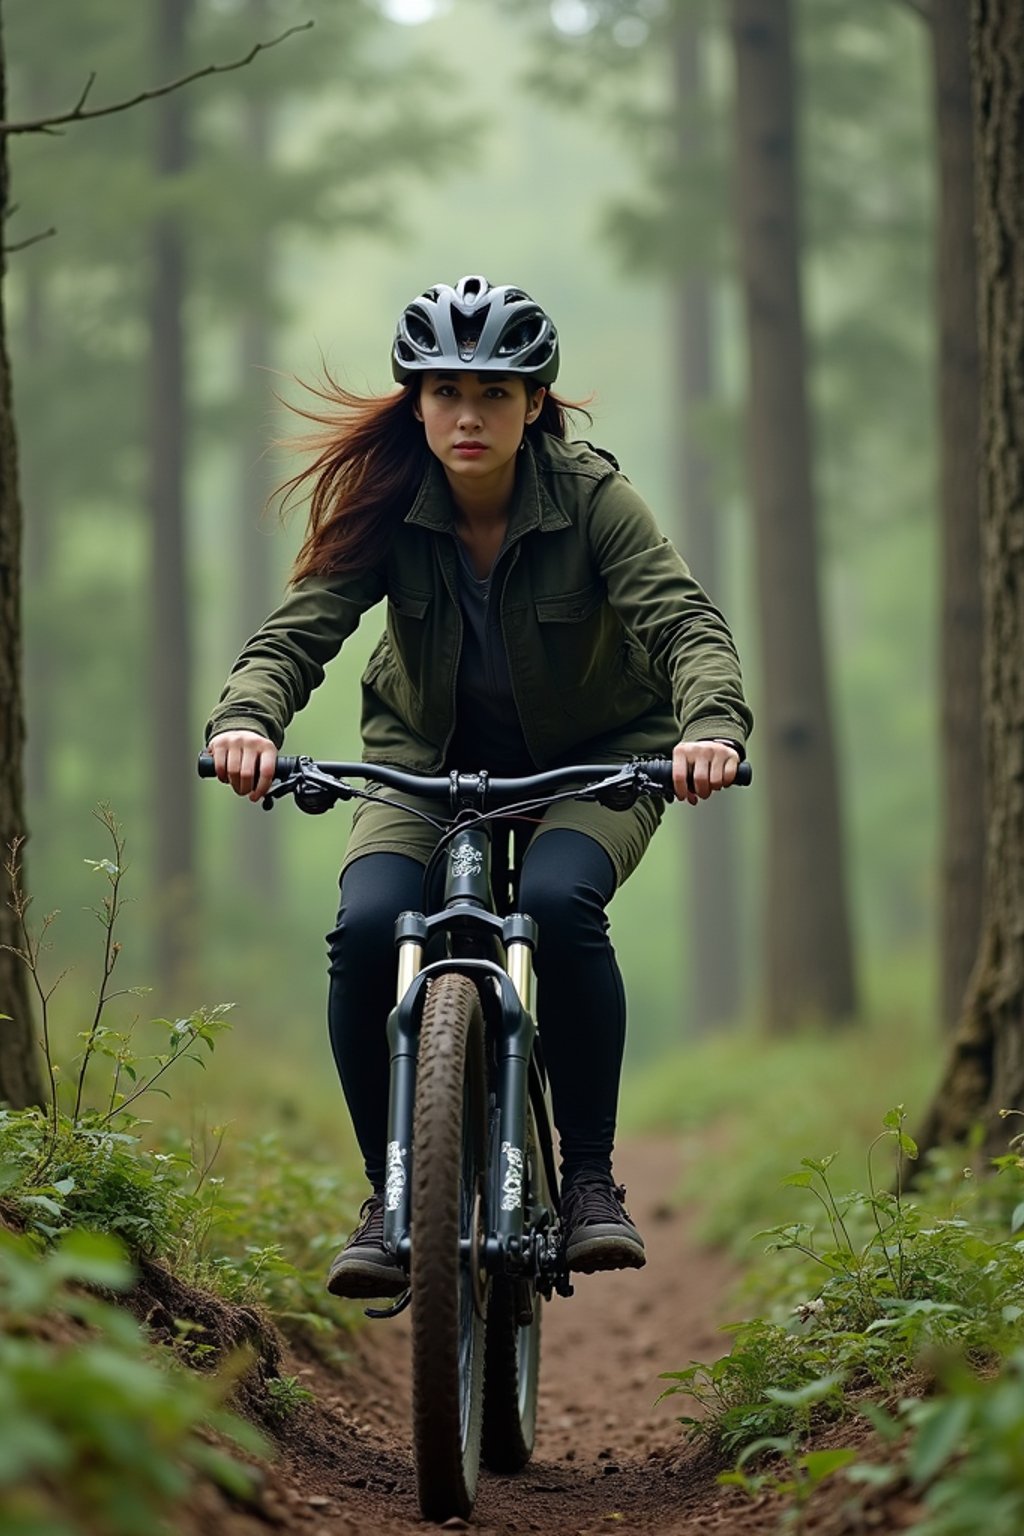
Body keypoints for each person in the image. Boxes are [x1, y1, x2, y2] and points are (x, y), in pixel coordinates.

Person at [205, 275, 753, 1298]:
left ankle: (588, 1179)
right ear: (414, 402)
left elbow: (685, 626)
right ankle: (389, 1192)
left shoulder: (592, 500)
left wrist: (709, 729)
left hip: (596, 755)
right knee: (370, 928)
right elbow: (298, 632)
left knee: (555, 902)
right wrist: (246, 719)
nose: (469, 415)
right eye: (446, 391)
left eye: (495, 393)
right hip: (420, 756)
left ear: (534, 403)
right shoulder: (385, 508)